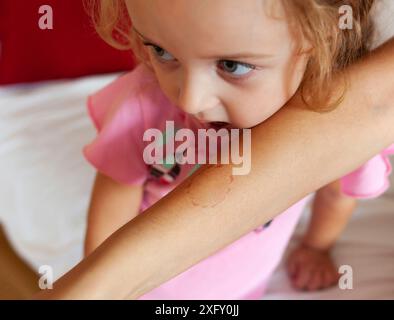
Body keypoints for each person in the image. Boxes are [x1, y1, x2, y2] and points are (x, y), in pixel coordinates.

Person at [35, 1, 394, 299]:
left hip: (246, 288)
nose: (190, 99)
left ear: (321, 38)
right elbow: (114, 201)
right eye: (162, 51)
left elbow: (335, 192)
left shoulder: (334, 120)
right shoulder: (144, 106)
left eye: (231, 66)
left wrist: (317, 246)